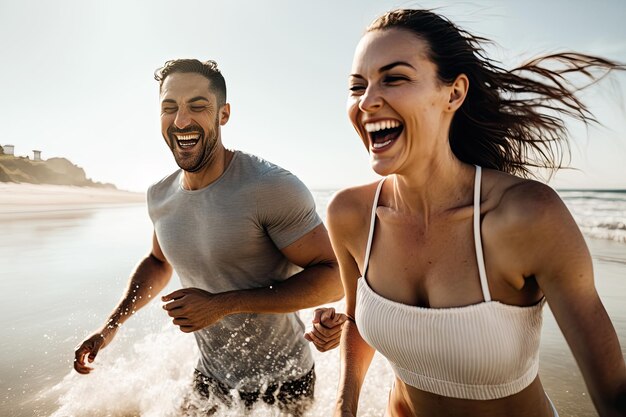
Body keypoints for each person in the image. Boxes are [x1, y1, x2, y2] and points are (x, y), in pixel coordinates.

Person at [309, 9, 626, 417]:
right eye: (357, 86)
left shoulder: (527, 216)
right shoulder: (349, 214)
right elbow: (357, 319)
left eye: (395, 78)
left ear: (454, 94)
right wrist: (344, 405)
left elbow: (614, 396)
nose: (367, 102)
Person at [73, 59, 345, 415]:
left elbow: (334, 277)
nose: (182, 120)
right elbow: (158, 261)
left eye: (197, 107)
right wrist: (112, 326)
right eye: (169, 108)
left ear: (223, 114)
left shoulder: (270, 187)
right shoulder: (160, 195)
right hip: (211, 374)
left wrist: (222, 304)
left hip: (284, 380)